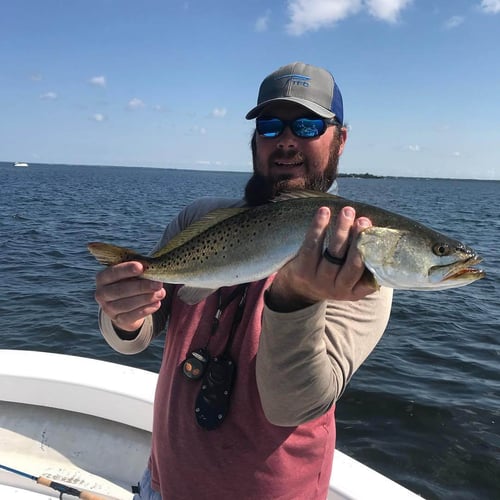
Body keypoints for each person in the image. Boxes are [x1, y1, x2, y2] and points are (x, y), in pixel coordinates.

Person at [94, 62, 393, 499]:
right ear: (255, 140)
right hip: (161, 484)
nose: (287, 139)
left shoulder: (360, 270)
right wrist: (122, 315)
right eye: (271, 125)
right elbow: (135, 335)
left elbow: (291, 406)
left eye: (308, 125)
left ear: (340, 140)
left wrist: (297, 299)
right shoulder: (198, 220)